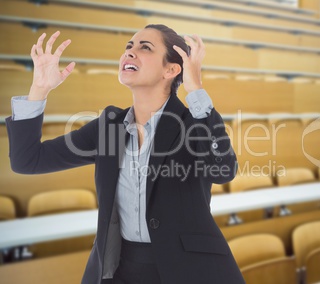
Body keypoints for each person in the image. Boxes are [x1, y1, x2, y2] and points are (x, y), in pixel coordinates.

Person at [6, 24, 245, 284]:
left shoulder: (192, 123)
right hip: (120, 269)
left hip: (190, 270)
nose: (130, 53)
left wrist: (196, 90)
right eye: (128, 47)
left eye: (145, 47)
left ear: (171, 69)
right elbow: (27, 160)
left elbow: (223, 170)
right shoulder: (108, 126)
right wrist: (39, 89)